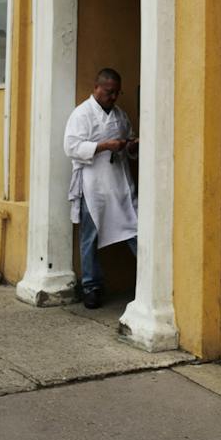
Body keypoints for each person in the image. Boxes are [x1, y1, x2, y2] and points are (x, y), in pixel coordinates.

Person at [64, 67, 138, 309]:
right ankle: (91, 286)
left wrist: (130, 146)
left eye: (117, 93)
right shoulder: (81, 114)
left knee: (135, 229)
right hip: (93, 185)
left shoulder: (120, 115)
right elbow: (71, 147)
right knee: (90, 236)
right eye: (109, 92)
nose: (113, 97)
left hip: (119, 184)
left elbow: (129, 139)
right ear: (96, 88)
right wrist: (104, 145)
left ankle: (148, 281)